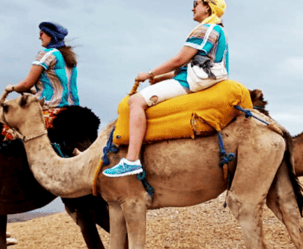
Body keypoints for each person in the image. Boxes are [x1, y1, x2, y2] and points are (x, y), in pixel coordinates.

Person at [104, 0, 228, 178]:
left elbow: (179, 61)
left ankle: (131, 161)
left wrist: (148, 73)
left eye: (197, 3)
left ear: (208, 7)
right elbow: (196, 67)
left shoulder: (205, 29)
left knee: (135, 101)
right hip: (193, 80)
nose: (193, 7)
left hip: (189, 84)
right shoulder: (217, 30)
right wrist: (163, 77)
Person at [4, 22, 79, 108]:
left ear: (51, 35)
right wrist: (35, 91)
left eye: (41, 33)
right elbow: (61, 90)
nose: (39, 37)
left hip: (49, 108)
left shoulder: (47, 54)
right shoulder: (69, 59)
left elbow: (26, 85)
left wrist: (11, 88)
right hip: (71, 110)